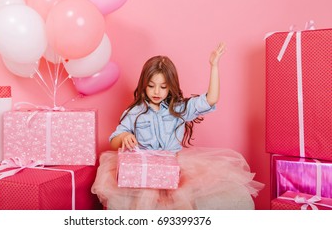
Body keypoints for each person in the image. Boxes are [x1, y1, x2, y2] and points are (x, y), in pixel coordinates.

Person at [91, 43, 264, 209]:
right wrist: (124, 137)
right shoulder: (134, 112)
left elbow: (210, 99)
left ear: (170, 87)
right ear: (143, 85)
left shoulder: (179, 109)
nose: (157, 92)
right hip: (144, 169)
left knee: (181, 203)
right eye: (151, 86)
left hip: (174, 166)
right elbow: (114, 141)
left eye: (163, 87)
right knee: (143, 205)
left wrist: (214, 66)